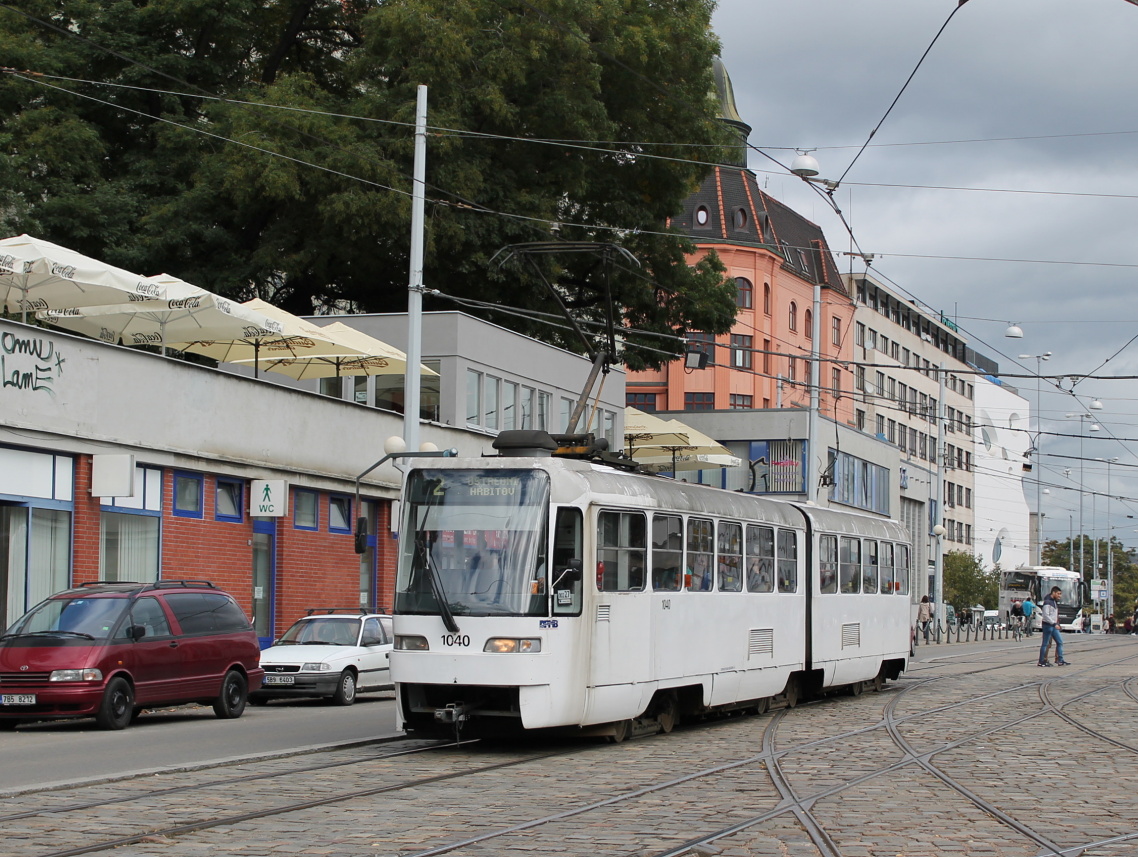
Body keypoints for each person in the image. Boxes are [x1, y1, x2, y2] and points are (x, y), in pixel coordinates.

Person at [1037, 586, 1069, 667]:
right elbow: (1045, 615)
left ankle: (1060, 660)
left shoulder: (1054, 602)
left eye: (1060, 594)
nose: (1059, 596)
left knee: (1060, 642)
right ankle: (1041, 661)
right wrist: (1054, 623)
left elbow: (1054, 615)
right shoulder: (1047, 602)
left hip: (1054, 626)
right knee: (1045, 644)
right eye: (1058, 594)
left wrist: (1057, 623)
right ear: (1053, 593)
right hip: (1048, 626)